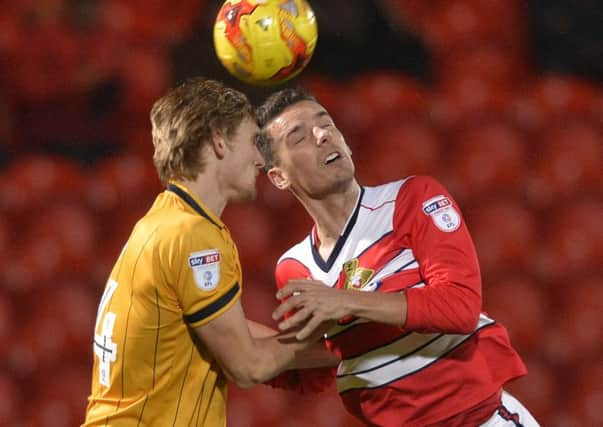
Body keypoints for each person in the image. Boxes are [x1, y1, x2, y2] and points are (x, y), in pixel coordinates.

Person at [256, 87, 540, 426]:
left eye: (326, 123)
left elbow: (460, 306)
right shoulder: (294, 267)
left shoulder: (410, 200)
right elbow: (319, 369)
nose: (322, 136)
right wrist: (225, 341)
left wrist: (348, 302)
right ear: (278, 177)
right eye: (298, 137)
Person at [83, 78, 338, 426]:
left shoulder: (162, 222)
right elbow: (248, 366)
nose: (261, 159)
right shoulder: (194, 237)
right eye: (253, 142)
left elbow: (223, 329)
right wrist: (344, 343)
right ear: (219, 140)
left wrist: (321, 348)